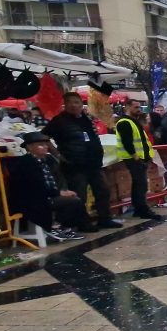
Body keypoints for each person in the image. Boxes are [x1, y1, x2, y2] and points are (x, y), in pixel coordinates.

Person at [42, 92, 122, 231]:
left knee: (102, 191)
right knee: (80, 195)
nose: (74, 105)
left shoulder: (86, 118)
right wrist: (57, 153)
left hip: (94, 163)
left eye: (76, 102)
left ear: (81, 104)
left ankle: (105, 218)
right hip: (74, 164)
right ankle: (82, 223)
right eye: (70, 102)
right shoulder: (59, 121)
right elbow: (43, 136)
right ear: (65, 105)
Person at [7, 132, 89, 241]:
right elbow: (35, 186)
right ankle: (55, 226)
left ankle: (65, 228)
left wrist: (63, 190)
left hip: (48, 195)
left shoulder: (49, 160)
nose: (45, 147)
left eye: (46, 145)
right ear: (29, 147)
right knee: (74, 201)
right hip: (33, 199)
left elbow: (58, 178)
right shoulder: (25, 163)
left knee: (75, 199)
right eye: (40, 145)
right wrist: (59, 193)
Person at [115, 99, 162, 220]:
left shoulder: (133, 121)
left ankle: (138, 209)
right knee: (140, 185)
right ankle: (142, 209)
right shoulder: (125, 122)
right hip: (134, 158)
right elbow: (127, 141)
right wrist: (135, 156)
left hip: (140, 157)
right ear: (127, 107)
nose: (139, 110)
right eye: (136, 107)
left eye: (139, 107)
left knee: (139, 184)